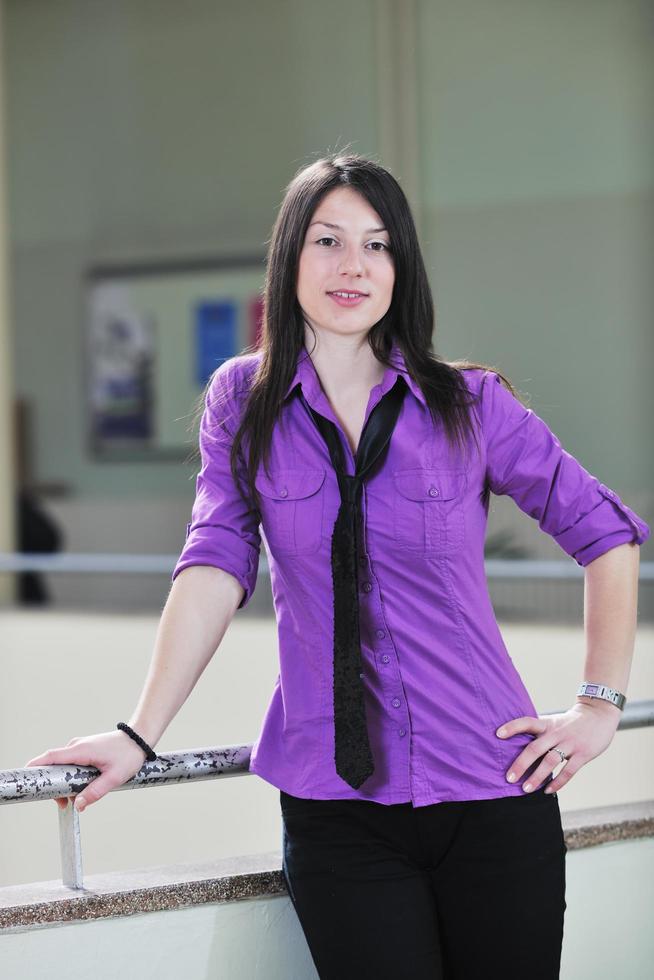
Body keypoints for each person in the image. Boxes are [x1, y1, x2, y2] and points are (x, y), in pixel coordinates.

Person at [25, 153, 650, 979]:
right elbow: (215, 559)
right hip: (337, 810)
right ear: (290, 258)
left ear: (402, 268)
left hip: (493, 788)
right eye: (328, 240)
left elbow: (605, 534)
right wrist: (141, 732)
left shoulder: (471, 405)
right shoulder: (242, 403)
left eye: (378, 244)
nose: (353, 265)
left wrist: (598, 706)